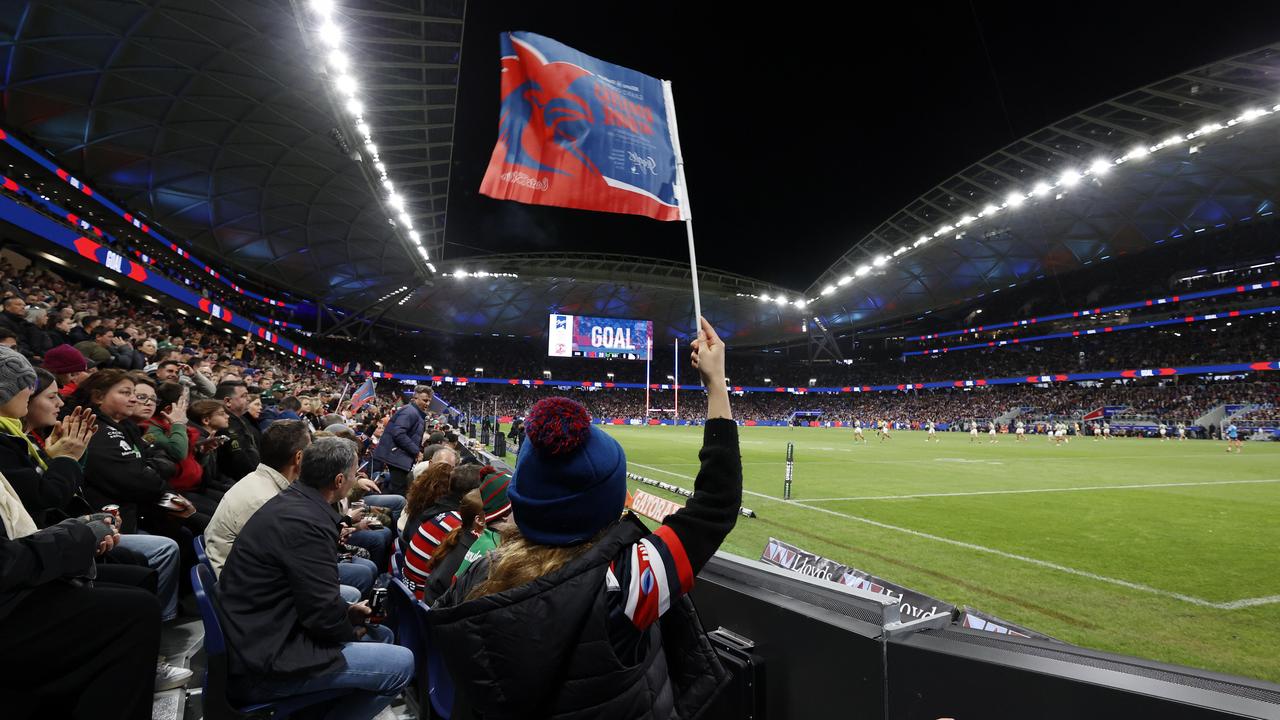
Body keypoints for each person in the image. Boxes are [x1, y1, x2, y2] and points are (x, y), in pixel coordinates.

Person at [429, 317, 741, 718]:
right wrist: (717, 385)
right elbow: (716, 504)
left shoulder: (478, 572)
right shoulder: (624, 585)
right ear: (607, 503)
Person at [218, 437, 414, 719]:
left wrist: (348, 613)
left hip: (260, 633)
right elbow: (321, 614)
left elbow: (310, 597)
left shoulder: (295, 503)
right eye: (353, 474)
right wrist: (348, 628)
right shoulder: (307, 525)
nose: (355, 479)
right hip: (265, 661)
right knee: (402, 664)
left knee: (381, 634)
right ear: (338, 481)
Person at [0, 482, 162, 720]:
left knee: (139, 577)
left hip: (16, 582)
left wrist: (75, 529)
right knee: (138, 611)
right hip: (9, 601)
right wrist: (74, 538)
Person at [203, 420, 311, 575]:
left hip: (244, 576)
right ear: (299, 457)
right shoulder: (266, 501)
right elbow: (286, 559)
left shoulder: (260, 481)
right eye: (310, 448)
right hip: (240, 587)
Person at [371, 385, 433, 495]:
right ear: (415, 398)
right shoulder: (410, 412)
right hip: (396, 457)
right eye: (425, 400)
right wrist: (416, 451)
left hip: (398, 457)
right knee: (397, 493)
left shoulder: (415, 413)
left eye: (429, 401)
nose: (427, 404)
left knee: (396, 490)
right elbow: (399, 434)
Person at [216, 381, 261, 482]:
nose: (248, 399)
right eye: (244, 396)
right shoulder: (226, 425)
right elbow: (240, 460)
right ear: (228, 401)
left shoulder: (242, 419)